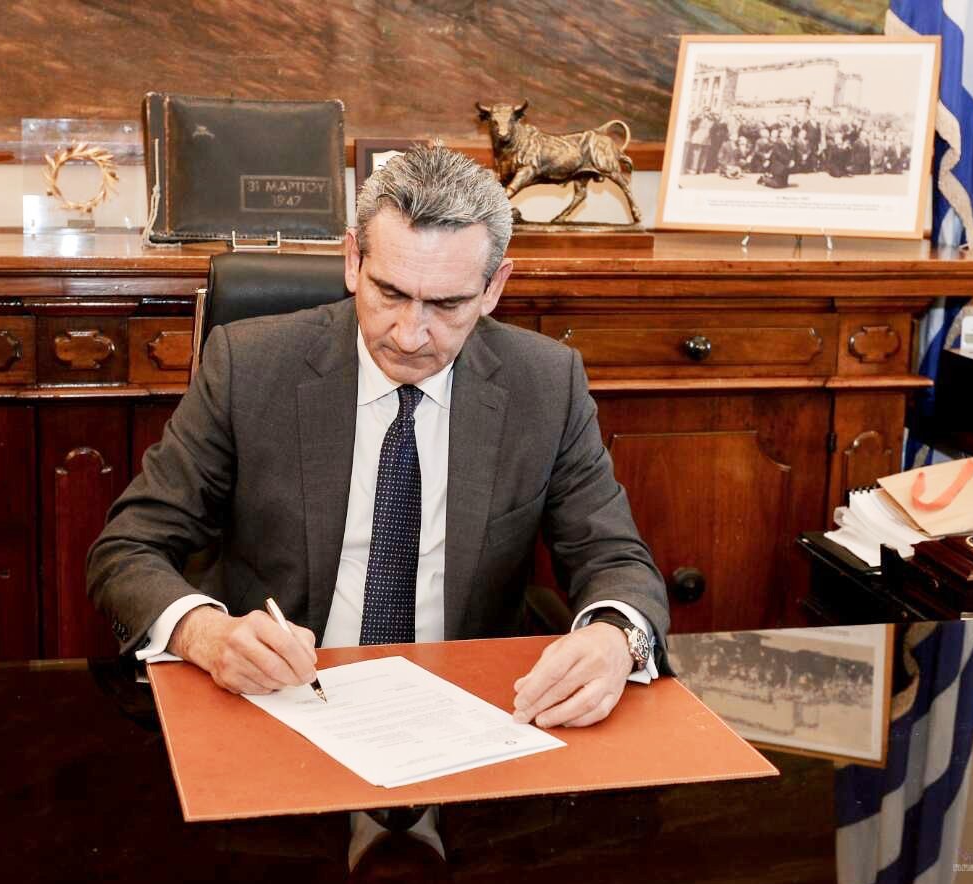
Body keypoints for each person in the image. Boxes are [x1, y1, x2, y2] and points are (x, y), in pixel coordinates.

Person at [87, 145, 670, 734]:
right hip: (284, 701)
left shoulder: (544, 383)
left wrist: (615, 638)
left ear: (494, 287)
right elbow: (128, 548)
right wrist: (207, 635)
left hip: (473, 709)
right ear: (352, 261)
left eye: (447, 304)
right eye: (390, 293)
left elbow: (615, 559)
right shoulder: (250, 366)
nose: (410, 335)